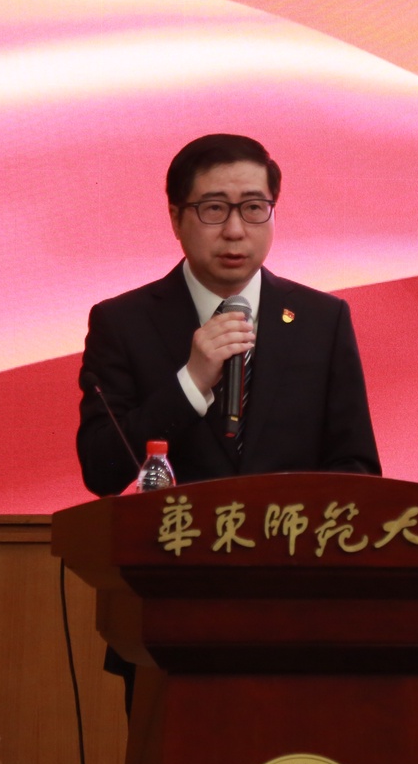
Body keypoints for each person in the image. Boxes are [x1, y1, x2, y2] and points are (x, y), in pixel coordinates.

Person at [76, 134, 381, 497]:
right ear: (175, 219)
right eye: (214, 209)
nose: (235, 231)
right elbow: (100, 470)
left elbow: (357, 467)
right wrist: (191, 383)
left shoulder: (323, 320)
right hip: (178, 532)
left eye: (253, 208)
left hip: (290, 531)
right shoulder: (123, 323)